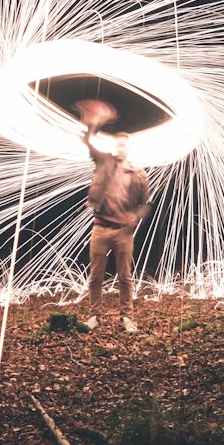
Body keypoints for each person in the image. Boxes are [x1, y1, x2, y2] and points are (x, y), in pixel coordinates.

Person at [78, 104, 150, 331]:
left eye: (123, 145)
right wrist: (95, 122)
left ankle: (126, 317)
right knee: (95, 277)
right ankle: (94, 317)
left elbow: (146, 204)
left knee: (125, 278)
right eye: (117, 145)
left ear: (128, 148)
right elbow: (87, 141)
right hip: (100, 228)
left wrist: (136, 216)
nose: (119, 148)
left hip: (123, 232)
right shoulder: (104, 161)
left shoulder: (139, 174)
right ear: (114, 146)